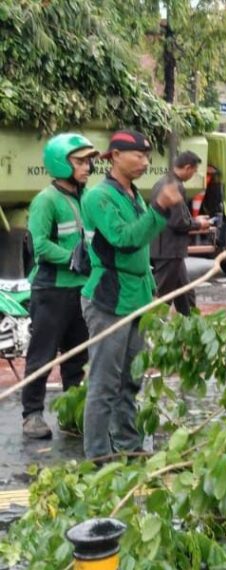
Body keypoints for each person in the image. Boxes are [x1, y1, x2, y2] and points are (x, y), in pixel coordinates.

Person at [80, 130, 184, 459]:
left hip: (136, 296)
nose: (144, 161)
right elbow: (124, 239)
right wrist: (158, 207)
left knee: (131, 380)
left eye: (147, 155)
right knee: (104, 385)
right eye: (136, 155)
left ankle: (128, 444)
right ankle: (98, 456)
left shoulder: (132, 195)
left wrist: (159, 210)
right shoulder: (99, 198)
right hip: (109, 298)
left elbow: (146, 238)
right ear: (114, 156)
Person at [20, 134, 100, 439]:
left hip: (81, 289)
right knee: (42, 355)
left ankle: (70, 414)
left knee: (77, 357)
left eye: (88, 161)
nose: (87, 167)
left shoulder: (86, 197)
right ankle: (32, 415)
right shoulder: (46, 200)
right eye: (79, 161)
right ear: (60, 163)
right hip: (51, 290)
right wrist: (70, 258)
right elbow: (39, 245)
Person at [150, 151, 211, 316]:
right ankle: (150, 334)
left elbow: (177, 215)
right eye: (194, 170)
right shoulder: (174, 186)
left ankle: (192, 328)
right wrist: (199, 223)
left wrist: (195, 219)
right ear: (187, 168)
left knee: (186, 294)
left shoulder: (164, 182)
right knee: (163, 297)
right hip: (168, 251)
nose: (194, 174)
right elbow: (177, 222)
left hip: (171, 250)